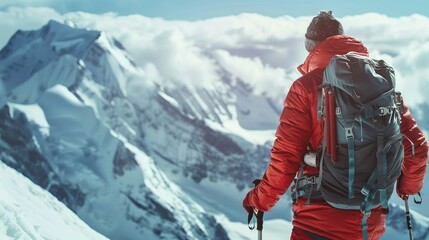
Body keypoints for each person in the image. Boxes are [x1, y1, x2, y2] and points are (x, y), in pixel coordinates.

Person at [242, 11, 428, 240]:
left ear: (311, 47)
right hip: (370, 221)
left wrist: (259, 200)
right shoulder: (382, 88)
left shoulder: (306, 87)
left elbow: (286, 157)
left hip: (317, 220)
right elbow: (417, 149)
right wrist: (407, 189)